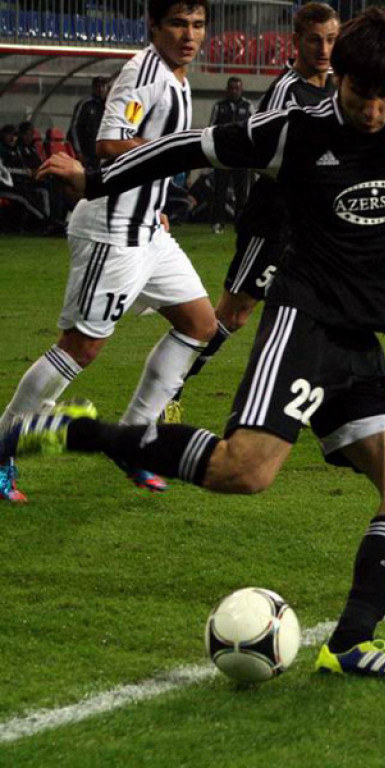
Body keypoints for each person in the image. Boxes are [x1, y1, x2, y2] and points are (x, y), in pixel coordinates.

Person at [26, 10, 385, 677]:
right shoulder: (294, 130)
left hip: (360, 339)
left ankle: (350, 645)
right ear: (338, 76)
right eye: (360, 93)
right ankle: (77, 433)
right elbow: (188, 147)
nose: (372, 110)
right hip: (302, 320)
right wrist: (96, 180)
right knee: (245, 472)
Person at [0, 0, 216, 503]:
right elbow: (110, 142)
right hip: (113, 232)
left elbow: (147, 151)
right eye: (178, 24)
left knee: (199, 324)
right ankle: (2, 447)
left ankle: (134, 442)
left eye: (198, 25)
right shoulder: (144, 72)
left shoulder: (177, 76)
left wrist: (156, 200)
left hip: (148, 229)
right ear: (154, 26)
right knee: (80, 347)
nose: (189, 35)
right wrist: (176, 153)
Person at [168, 1, 340, 421]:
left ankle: (314, 402)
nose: (323, 49)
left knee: (320, 308)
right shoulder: (286, 92)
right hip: (275, 220)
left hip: (314, 225)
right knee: (233, 314)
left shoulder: (337, 86)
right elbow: (258, 154)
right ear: (296, 41)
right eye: (315, 40)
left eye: (331, 40)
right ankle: (171, 386)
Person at [208, 77, 253, 233]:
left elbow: (253, 129)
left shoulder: (248, 106)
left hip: (241, 156)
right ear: (227, 89)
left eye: (237, 88)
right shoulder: (219, 106)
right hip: (223, 155)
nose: (234, 91)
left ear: (241, 90)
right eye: (232, 88)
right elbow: (210, 129)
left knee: (242, 192)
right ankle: (217, 222)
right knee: (219, 190)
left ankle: (240, 223)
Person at [68, 76, 109, 171]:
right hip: (87, 152)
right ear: (93, 88)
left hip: (102, 151)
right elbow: (74, 128)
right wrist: (78, 151)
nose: (100, 89)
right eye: (98, 86)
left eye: (103, 86)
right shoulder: (85, 104)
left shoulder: (109, 105)